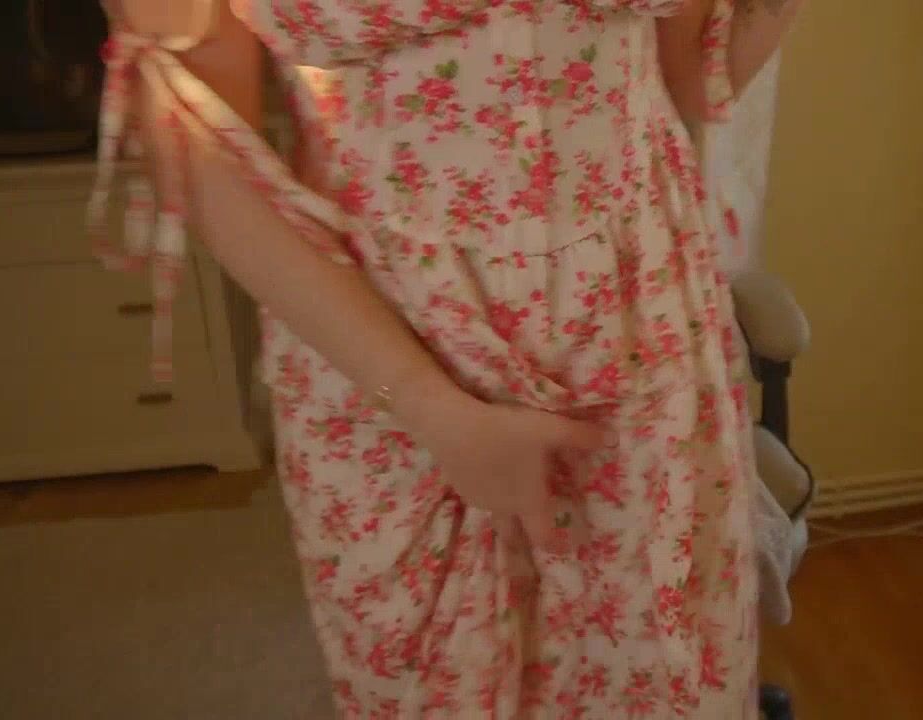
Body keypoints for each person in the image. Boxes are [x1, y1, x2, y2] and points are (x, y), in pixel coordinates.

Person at [94, 0, 799, 715]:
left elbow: (687, 81)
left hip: (643, 336)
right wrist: (430, 406)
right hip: (384, 372)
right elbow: (201, 145)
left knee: (662, 678)